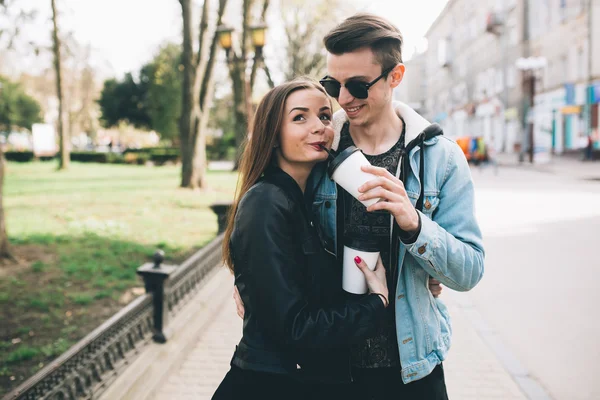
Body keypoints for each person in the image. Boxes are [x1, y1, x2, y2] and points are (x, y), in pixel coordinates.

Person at [310, 13, 484, 399]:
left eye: (357, 85)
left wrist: (415, 225)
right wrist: (244, 275)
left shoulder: (441, 158)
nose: (342, 99)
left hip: (414, 368)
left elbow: (469, 271)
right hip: (330, 366)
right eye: (332, 84)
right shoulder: (317, 148)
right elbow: (268, 217)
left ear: (395, 76)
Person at [212, 78, 392, 400]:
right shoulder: (266, 202)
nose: (319, 127)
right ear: (273, 135)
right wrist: (374, 304)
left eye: (325, 116)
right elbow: (294, 327)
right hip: (266, 385)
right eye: (299, 118)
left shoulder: (301, 201)